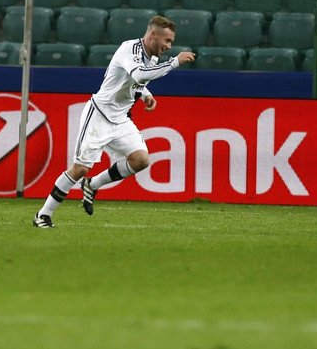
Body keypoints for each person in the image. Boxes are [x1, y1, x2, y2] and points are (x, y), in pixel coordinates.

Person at [33, 15, 196, 228]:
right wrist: (174, 62)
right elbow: (138, 74)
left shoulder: (151, 58)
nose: (168, 46)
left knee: (141, 160)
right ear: (152, 35)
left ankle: (92, 185)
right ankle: (43, 215)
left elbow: (136, 80)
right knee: (80, 168)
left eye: (171, 42)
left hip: (120, 119)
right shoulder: (130, 49)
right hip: (99, 115)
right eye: (167, 41)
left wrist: (145, 93)